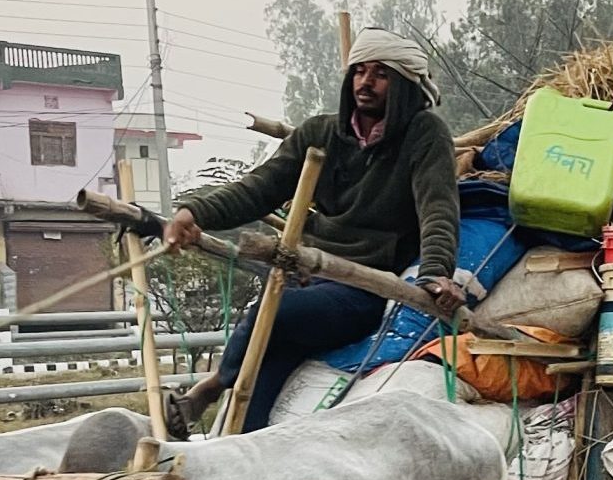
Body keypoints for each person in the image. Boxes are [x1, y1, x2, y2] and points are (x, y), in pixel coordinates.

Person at [161, 26, 464, 435]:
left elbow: (438, 208)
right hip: (301, 274)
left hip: (360, 287)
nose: (365, 82)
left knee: (276, 315)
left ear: (406, 85)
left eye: (381, 74)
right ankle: (244, 448)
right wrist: (194, 212)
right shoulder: (320, 133)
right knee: (263, 376)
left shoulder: (424, 134)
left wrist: (435, 273)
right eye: (359, 71)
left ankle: (211, 386)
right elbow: (260, 187)